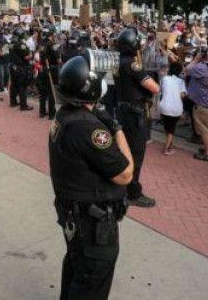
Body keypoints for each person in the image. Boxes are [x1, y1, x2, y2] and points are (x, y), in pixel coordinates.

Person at [50, 54, 133, 299]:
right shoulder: (89, 128)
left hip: (75, 213)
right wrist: (116, 128)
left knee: (77, 271)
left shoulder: (64, 114)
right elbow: (126, 173)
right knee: (91, 283)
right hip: (92, 222)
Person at [114, 28, 160, 208]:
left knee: (125, 151)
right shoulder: (133, 64)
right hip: (135, 114)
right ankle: (133, 192)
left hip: (124, 110)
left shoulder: (118, 61)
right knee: (136, 153)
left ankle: (124, 188)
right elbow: (154, 88)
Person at [159, 61, 186, 155]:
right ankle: (166, 149)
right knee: (171, 129)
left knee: (167, 127)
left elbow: (161, 90)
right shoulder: (181, 81)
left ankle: (170, 144)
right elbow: (182, 95)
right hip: (176, 108)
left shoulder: (164, 78)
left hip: (164, 106)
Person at [38, 26, 60, 119]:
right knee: (51, 92)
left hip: (42, 69)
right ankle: (51, 114)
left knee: (43, 92)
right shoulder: (52, 44)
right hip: (51, 69)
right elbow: (58, 59)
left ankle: (42, 112)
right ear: (52, 34)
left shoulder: (41, 43)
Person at [9, 28, 33, 111]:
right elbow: (27, 57)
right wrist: (31, 54)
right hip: (20, 67)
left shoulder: (11, 43)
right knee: (22, 86)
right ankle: (23, 105)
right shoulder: (20, 44)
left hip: (13, 66)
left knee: (14, 84)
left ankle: (13, 102)